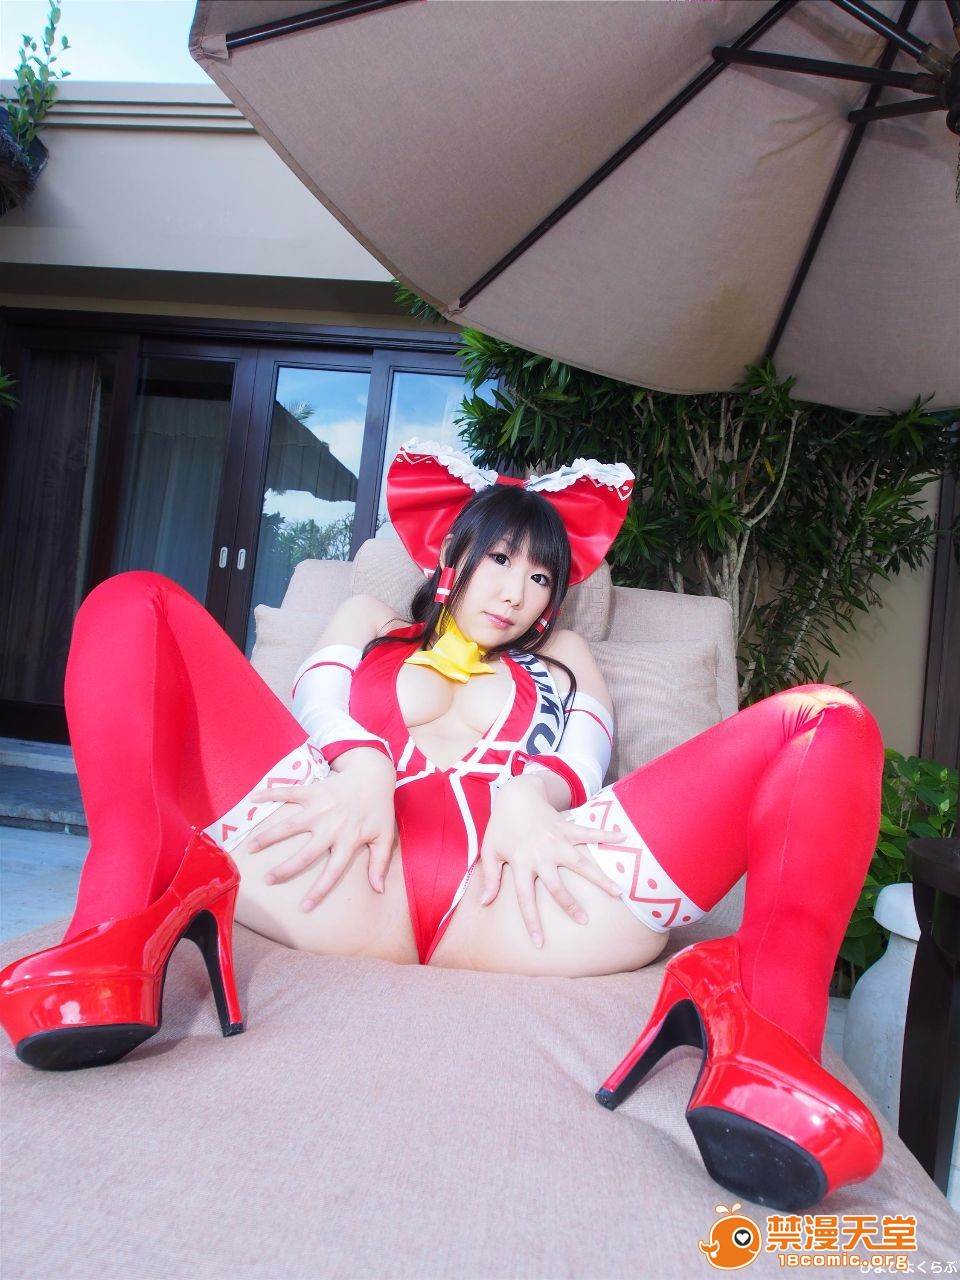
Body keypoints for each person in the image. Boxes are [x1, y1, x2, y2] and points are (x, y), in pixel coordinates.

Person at [0, 438, 885, 1213]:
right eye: (500, 559)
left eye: (540, 578)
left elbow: (587, 740)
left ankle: (773, 1048)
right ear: (453, 555)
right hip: (341, 867)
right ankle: (115, 927)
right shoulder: (372, 622)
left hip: (523, 898)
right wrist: (362, 762)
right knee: (134, 599)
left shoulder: (563, 655)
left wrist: (532, 796)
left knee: (826, 720)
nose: (517, 593)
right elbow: (317, 694)